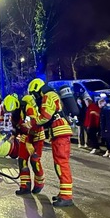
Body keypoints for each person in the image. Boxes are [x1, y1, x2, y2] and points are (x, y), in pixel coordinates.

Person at [27, 78, 74, 207]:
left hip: (60, 132)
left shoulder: (47, 96)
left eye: (34, 93)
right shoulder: (52, 95)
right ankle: (63, 193)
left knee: (61, 163)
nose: (35, 97)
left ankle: (66, 196)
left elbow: (45, 117)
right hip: (59, 132)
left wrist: (33, 122)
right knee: (58, 163)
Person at [15, 94, 46, 195]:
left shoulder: (29, 109)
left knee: (34, 160)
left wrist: (28, 138)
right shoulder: (19, 110)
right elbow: (20, 124)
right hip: (25, 137)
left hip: (36, 138)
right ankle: (25, 186)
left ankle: (39, 183)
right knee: (22, 161)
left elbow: (32, 126)